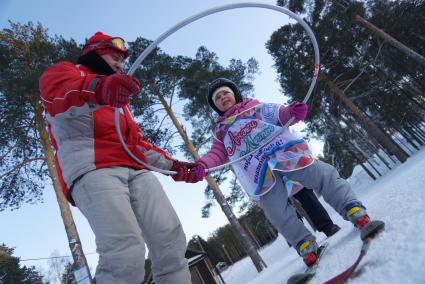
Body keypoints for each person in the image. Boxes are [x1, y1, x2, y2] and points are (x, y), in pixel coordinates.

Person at [39, 32, 201, 284]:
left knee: (169, 239)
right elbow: (58, 97)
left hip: (136, 170)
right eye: (114, 56)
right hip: (92, 169)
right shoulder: (66, 72)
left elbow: (135, 143)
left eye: (122, 60)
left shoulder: (118, 99)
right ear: (94, 52)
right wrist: (99, 88)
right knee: (126, 252)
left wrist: (175, 167)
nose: (119, 63)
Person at [193, 77, 380, 267]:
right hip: (258, 172)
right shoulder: (221, 131)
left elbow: (279, 114)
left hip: (285, 154)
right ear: (216, 107)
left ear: (235, 94)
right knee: (274, 209)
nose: (223, 97)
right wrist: (203, 165)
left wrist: (292, 112)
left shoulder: (255, 108)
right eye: (217, 97)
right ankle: (304, 243)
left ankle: (352, 208)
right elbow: (216, 153)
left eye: (225, 92)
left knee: (320, 174)